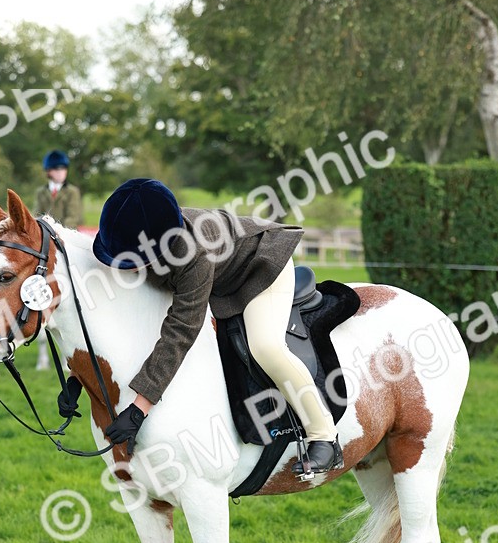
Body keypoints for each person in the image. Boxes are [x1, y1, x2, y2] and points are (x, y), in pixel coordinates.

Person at [93, 178, 342, 477]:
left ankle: (324, 435)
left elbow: (182, 328)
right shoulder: (147, 232)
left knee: (266, 347)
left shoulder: (192, 251)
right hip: (222, 278)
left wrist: (139, 409)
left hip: (262, 265)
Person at [34, 150, 83, 230]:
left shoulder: (72, 191)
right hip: (45, 234)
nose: (61, 173)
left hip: (67, 234)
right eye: (57, 169)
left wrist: (58, 233)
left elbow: (72, 217)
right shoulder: (41, 192)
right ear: (48, 171)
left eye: (63, 169)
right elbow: (37, 215)